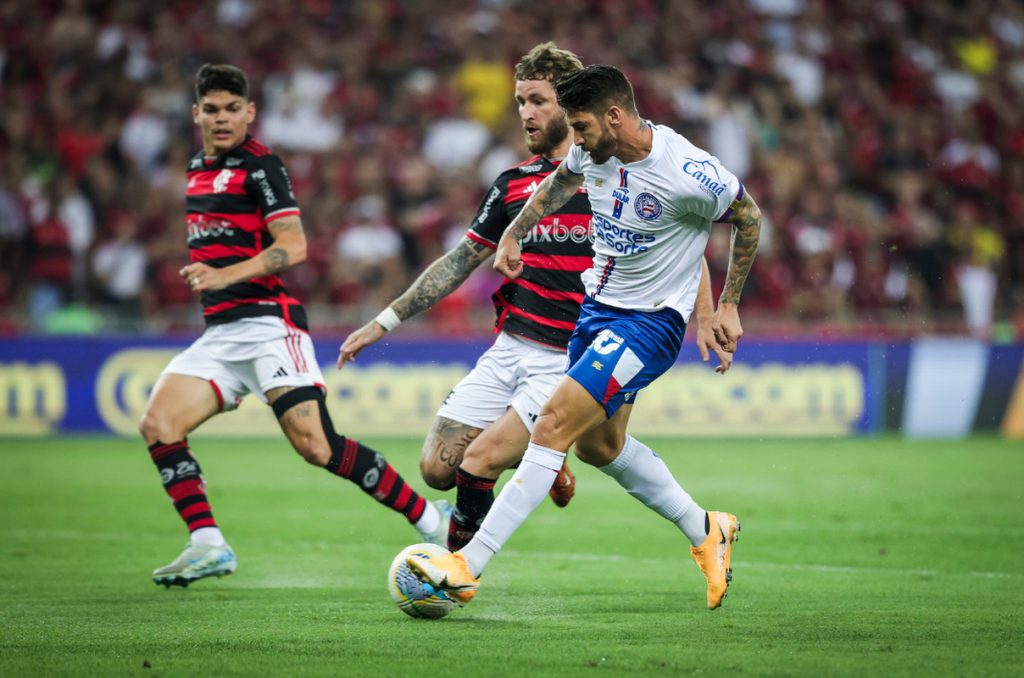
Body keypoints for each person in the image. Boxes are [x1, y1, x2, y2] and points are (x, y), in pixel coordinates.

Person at [338, 45, 732, 553]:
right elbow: (460, 260)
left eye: (539, 100)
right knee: (438, 469)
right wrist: (382, 323)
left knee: (482, 461)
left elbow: (680, 244)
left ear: (570, 105)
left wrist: (706, 312)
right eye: (520, 100)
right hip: (511, 343)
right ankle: (551, 462)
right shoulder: (512, 185)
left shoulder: (614, 175)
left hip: (571, 355)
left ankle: (456, 569)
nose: (526, 112)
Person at [409, 64, 762, 611]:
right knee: (601, 447)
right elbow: (559, 183)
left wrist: (727, 304)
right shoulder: (590, 151)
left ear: (615, 116)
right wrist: (514, 232)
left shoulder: (690, 171)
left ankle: (466, 564)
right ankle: (707, 528)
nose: (574, 139)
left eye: (582, 126)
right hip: (596, 313)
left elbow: (749, 217)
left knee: (551, 425)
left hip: (649, 324)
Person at [140, 64, 449, 588]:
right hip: (220, 335)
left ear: (249, 113)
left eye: (232, 109)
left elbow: (294, 247)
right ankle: (208, 544)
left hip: (268, 326)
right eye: (211, 110)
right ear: (196, 114)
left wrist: (222, 275)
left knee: (316, 447)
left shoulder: (262, 167)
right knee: (158, 425)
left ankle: (429, 519)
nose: (221, 119)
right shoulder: (195, 167)